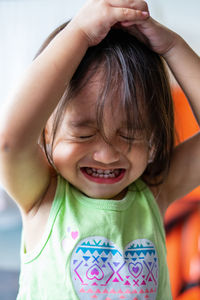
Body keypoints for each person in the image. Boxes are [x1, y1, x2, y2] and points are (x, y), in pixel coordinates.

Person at [0, 0, 199, 299]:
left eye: (129, 135)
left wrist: (172, 47)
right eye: (84, 134)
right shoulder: (43, 197)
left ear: (153, 140)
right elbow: (9, 142)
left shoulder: (154, 194)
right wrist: (79, 33)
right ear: (45, 131)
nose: (106, 155)